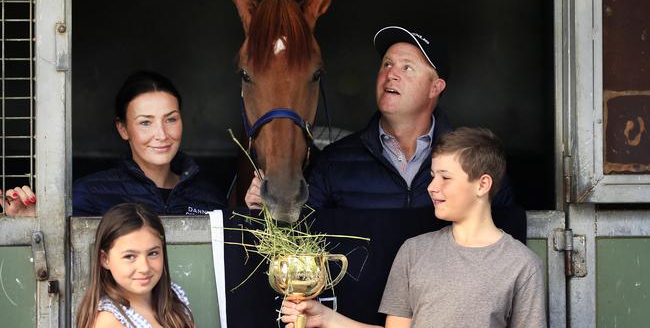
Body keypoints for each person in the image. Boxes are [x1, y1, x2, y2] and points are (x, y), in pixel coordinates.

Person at [246, 25, 526, 243]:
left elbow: (503, 243)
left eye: (407, 68)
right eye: (386, 65)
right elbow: (296, 242)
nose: (391, 74)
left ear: (435, 88)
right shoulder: (334, 162)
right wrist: (260, 212)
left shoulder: (475, 162)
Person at [281, 127, 546, 328]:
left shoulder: (521, 265)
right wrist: (326, 318)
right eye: (432, 176)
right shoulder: (414, 251)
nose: (432, 187)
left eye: (446, 177)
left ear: (482, 185)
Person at [2, 71, 227, 216]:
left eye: (170, 119)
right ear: (123, 129)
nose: (161, 134)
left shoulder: (209, 197)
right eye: (145, 122)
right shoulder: (89, 193)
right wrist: (30, 219)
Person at [76, 202, 195, 328]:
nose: (144, 268)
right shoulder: (109, 321)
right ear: (105, 259)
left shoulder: (174, 298)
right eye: (130, 256)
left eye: (153, 253)